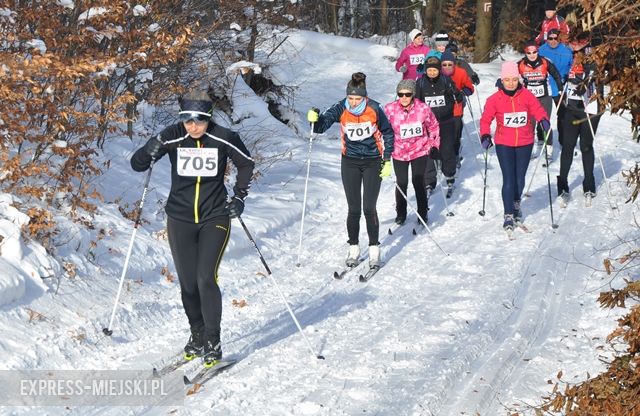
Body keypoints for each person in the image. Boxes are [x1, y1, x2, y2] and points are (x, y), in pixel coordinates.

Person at [130, 91, 255, 367]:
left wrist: (239, 198)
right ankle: (196, 334)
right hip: (180, 219)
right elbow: (138, 165)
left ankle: (213, 339)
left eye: (199, 120)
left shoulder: (224, 137)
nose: (193, 127)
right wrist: (149, 147)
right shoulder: (172, 135)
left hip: (215, 217)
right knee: (187, 284)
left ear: (208, 119)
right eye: (187, 120)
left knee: (205, 279)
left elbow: (247, 164)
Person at [307, 72, 394, 268]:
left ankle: (374, 250)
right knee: (354, 209)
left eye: (358, 99)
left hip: (372, 161)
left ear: (365, 96)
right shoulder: (341, 107)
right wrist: (314, 119)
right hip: (350, 162)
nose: (354, 103)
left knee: (368, 208)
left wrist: (387, 160)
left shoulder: (375, 108)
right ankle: (353, 248)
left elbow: (388, 133)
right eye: (351, 98)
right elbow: (321, 126)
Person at [480, 62, 550, 230]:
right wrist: (485, 135)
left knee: (520, 178)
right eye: (507, 80)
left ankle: (516, 203)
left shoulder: (527, 95)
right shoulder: (494, 99)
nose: (511, 83)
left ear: (518, 79)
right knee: (509, 179)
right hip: (504, 143)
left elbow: (537, 109)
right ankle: (508, 214)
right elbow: (485, 120)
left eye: (514, 79)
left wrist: (543, 119)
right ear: (502, 80)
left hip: (525, 142)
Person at [384, 79, 440, 225]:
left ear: (413, 94)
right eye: (400, 94)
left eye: (407, 94)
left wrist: (434, 146)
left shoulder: (423, 108)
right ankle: (401, 213)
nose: (403, 97)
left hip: (419, 150)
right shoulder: (389, 109)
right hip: (399, 152)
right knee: (401, 182)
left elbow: (433, 127)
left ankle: (423, 212)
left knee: (418, 181)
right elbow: (381, 129)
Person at [557, 33, 602, 206]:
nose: (575, 49)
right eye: (572, 45)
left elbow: (594, 78)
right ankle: (562, 186)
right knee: (567, 146)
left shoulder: (592, 58)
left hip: (589, 109)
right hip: (571, 108)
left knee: (586, 146)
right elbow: (558, 73)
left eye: (579, 46)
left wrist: (580, 80)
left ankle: (589, 185)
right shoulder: (568, 57)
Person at [415, 55, 462, 197]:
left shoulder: (446, 80)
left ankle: (449, 176)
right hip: (428, 124)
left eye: (434, 70)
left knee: (447, 149)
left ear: (438, 70)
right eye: (429, 70)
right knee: (429, 152)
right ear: (426, 70)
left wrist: (456, 95)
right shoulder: (421, 83)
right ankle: (429, 181)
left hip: (446, 121)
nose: (432, 73)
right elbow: (417, 101)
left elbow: (456, 97)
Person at [518, 40, 563, 161]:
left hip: (544, 97)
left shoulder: (545, 61)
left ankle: (549, 151)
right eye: (529, 53)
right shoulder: (520, 64)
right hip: (528, 98)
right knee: (530, 124)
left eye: (534, 52)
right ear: (525, 53)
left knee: (545, 122)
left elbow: (556, 74)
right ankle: (530, 149)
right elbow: (510, 74)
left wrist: (560, 87)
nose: (532, 55)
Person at [539, 28, 573, 147]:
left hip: (560, 87)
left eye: (555, 38)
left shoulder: (567, 51)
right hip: (545, 87)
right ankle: (541, 138)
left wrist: (570, 75)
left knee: (563, 115)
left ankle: (563, 141)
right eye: (550, 38)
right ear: (547, 39)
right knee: (542, 114)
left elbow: (572, 66)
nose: (553, 41)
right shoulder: (541, 50)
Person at [441, 50, 474, 169]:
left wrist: (464, 91)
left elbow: (470, 87)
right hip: (439, 112)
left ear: (454, 64)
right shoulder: (437, 74)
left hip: (456, 110)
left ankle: (455, 155)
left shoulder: (461, 72)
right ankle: (442, 158)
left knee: (455, 135)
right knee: (441, 136)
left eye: (450, 64)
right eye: (444, 64)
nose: (447, 67)